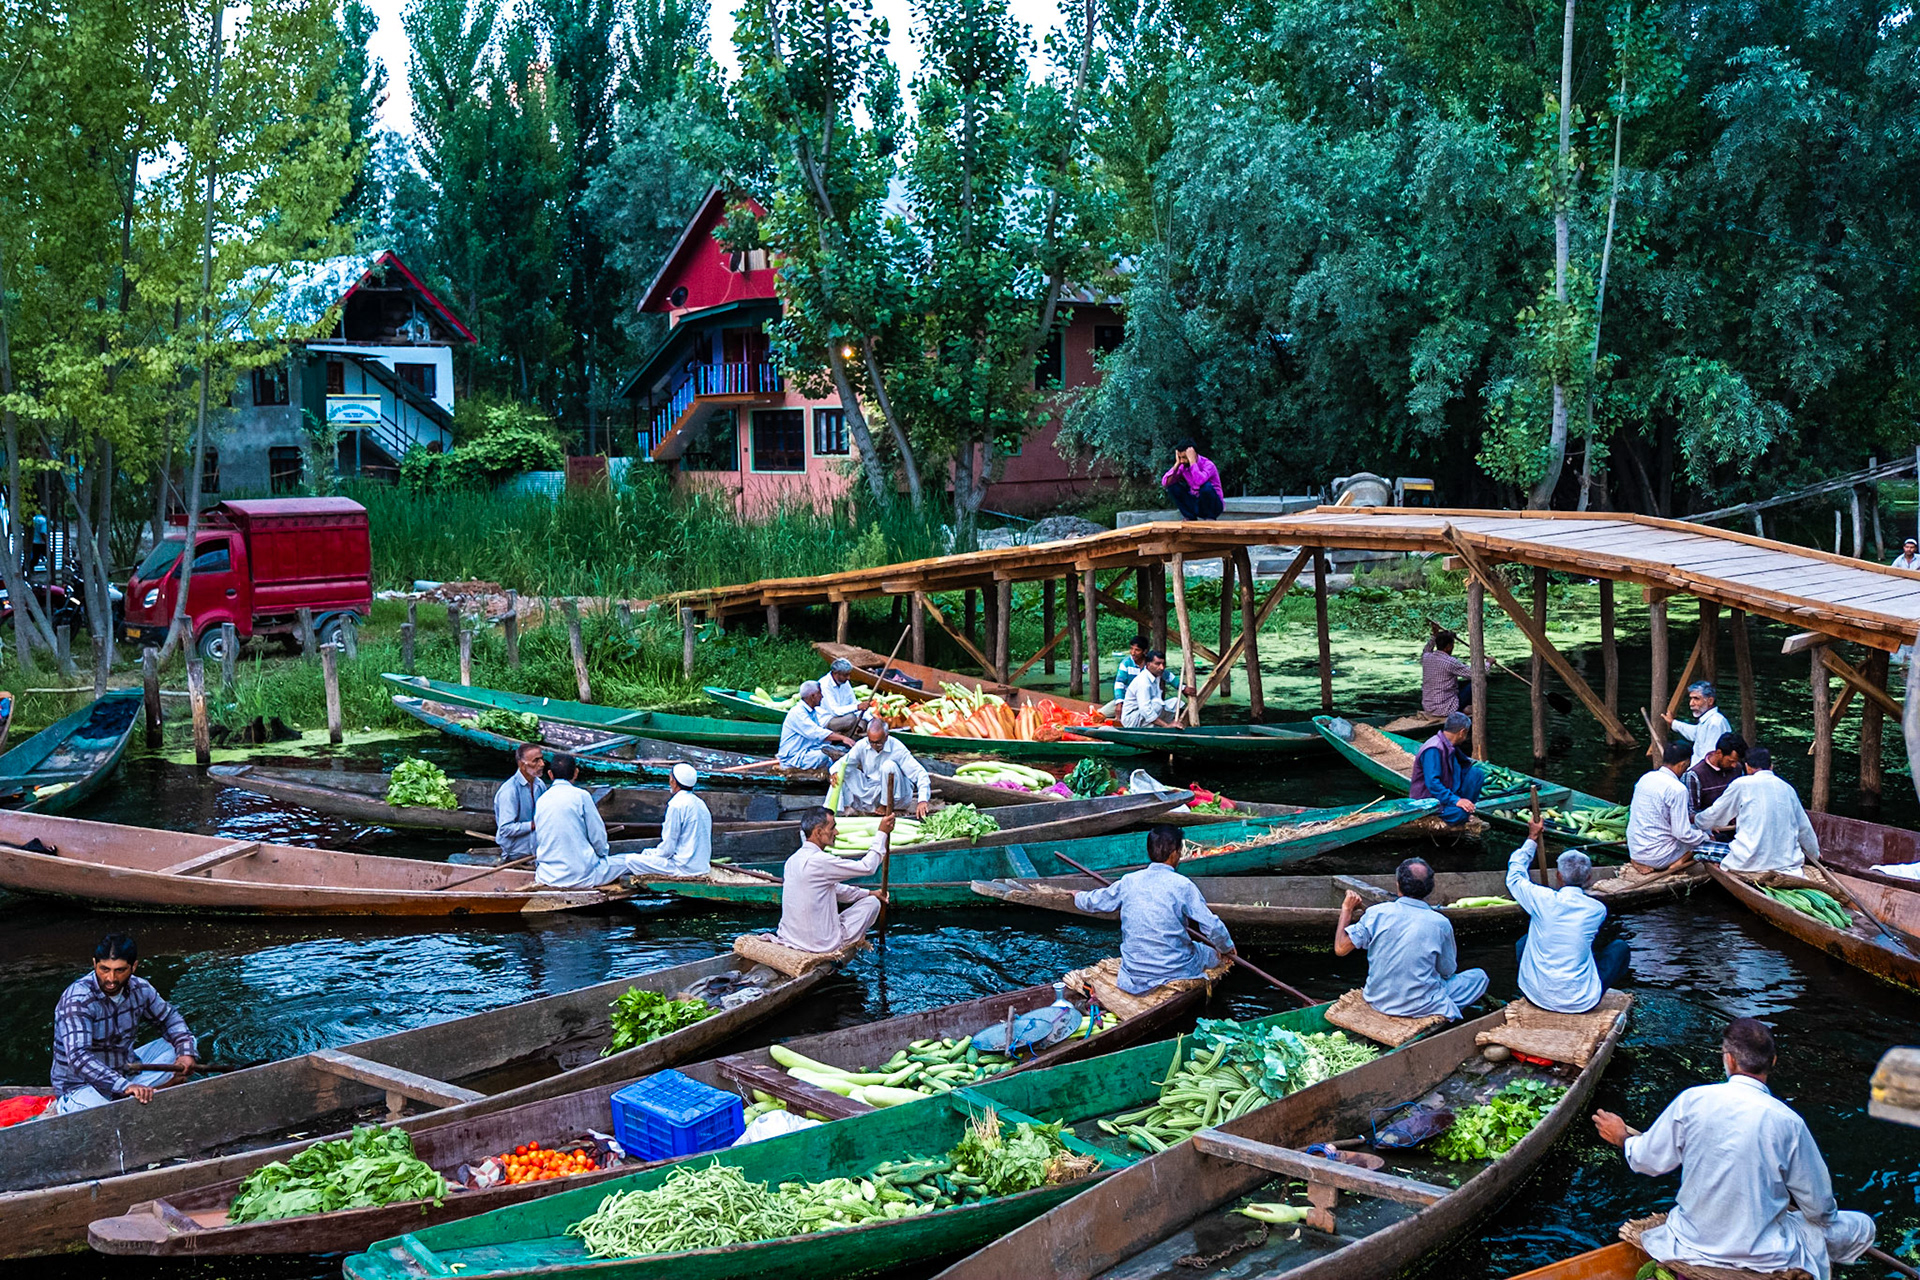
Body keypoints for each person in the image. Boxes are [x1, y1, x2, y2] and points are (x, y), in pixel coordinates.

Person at [1593, 1018, 1875, 1280]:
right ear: (1773, 1061)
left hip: (1692, 1241)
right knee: (1862, 1225)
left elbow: (1648, 1161)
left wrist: (1622, 1138)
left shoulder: (1692, 1100)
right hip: (1764, 1253)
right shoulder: (1789, 1122)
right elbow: (1821, 1210)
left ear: (1728, 1059)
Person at [1072, 825, 1236, 995]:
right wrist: (1226, 948)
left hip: (1134, 971)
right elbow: (1212, 926)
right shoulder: (1183, 885)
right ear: (1175, 852)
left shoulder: (1129, 880)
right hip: (1174, 969)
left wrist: (1077, 896)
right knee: (1209, 953)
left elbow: (1095, 901)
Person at [52, 934, 197, 1114]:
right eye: (104, 969)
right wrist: (125, 1086)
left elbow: (169, 1019)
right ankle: (153, 1091)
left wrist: (186, 1053)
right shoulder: (78, 999)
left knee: (179, 1045)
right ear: (94, 964)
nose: (111, 978)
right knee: (106, 1114)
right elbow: (78, 1057)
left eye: (120, 970)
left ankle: (138, 1094)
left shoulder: (141, 989)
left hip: (126, 1070)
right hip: (82, 1086)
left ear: (133, 967)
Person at [1333, 855, 1487, 1019]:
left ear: (1398, 885)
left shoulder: (1377, 912)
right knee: (1479, 977)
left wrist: (1346, 909)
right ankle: (1436, 1008)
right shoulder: (1440, 923)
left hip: (1377, 1000)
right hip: (1421, 1005)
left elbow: (1340, 948)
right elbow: (1448, 971)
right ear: (1430, 888)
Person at [1508, 816, 1629, 1012]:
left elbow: (1514, 876)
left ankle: (1541, 990)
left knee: (1524, 941)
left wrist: (1532, 837)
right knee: (1619, 948)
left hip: (1536, 995)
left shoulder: (1541, 898)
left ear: (1558, 876)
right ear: (1589, 878)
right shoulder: (1597, 910)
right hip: (1580, 1001)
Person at [775, 806, 894, 952]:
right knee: (873, 904)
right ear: (818, 832)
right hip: (820, 945)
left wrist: (869, 892)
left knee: (870, 898)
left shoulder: (792, 860)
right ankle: (847, 940)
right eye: (832, 828)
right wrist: (882, 833)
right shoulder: (820, 860)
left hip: (790, 937)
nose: (836, 832)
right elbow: (867, 867)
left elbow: (837, 889)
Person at [1693, 746, 1818, 873]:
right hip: (1787, 861)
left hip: (1748, 861)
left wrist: (1697, 822)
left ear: (1747, 767)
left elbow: (1715, 815)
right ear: (1771, 766)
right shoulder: (1787, 788)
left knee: (1696, 846)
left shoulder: (1741, 784)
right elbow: (1804, 828)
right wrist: (1815, 854)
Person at [532, 754, 644, 887]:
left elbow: (537, 839)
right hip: (582, 876)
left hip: (547, 876)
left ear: (550, 774)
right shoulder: (581, 796)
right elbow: (598, 837)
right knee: (629, 861)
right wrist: (602, 855)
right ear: (576, 773)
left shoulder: (542, 800)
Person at [1627, 743, 1711, 873]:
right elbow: (1682, 834)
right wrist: (1705, 836)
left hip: (1635, 850)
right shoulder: (1677, 789)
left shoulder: (1646, 778)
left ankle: (1637, 861)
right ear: (1684, 763)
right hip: (1658, 856)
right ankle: (1677, 864)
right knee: (1705, 838)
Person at [626, 763, 712, 877]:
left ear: (674, 782)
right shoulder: (700, 803)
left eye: (671, 778)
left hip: (683, 868)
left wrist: (655, 856)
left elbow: (668, 848)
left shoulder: (676, 805)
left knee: (630, 860)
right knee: (647, 852)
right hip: (701, 866)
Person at [837, 719, 931, 818]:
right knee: (842, 771)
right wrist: (835, 773)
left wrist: (923, 799)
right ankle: (837, 810)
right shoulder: (862, 744)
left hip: (896, 796)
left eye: (878, 743)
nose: (874, 746)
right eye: (871, 742)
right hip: (873, 791)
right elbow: (845, 762)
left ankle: (885, 805)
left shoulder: (897, 748)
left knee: (888, 766)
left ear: (886, 737)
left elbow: (920, 773)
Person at [1408, 711, 1484, 825]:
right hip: (1428, 800)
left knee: (1477, 774)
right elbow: (1433, 784)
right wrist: (1456, 800)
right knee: (1460, 814)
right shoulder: (1433, 749)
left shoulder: (1450, 745)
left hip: (1447, 792)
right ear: (1462, 732)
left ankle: (1465, 808)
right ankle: (1457, 811)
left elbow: (1465, 766)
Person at [778, 681, 854, 769]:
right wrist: (842, 738)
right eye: (820, 693)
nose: (822, 696)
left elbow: (819, 733)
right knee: (823, 756)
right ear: (813, 696)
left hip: (810, 749)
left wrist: (838, 736)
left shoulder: (812, 711)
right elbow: (816, 733)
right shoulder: (797, 712)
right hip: (794, 757)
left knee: (840, 750)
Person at [492, 742, 547, 860]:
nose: (542, 764)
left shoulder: (539, 784)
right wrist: (532, 825)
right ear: (522, 765)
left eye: (542, 759)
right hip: (516, 851)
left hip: (537, 847)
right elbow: (505, 829)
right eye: (536, 761)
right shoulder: (509, 791)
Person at [1664, 681, 1732, 769]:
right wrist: (1673, 723)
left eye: (1696, 699)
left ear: (1710, 701)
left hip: (1705, 776)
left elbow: (1710, 757)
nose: (1691, 703)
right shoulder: (1708, 721)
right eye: (1691, 699)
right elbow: (1695, 733)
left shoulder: (1715, 723)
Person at [1103, 634, 1171, 718]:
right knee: (1101, 714)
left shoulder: (1150, 664)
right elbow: (1119, 684)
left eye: (1137, 650)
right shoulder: (1126, 663)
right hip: (1128, 701)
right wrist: (1119, 703)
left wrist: (1183, 688)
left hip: (1147, 701)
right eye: (1131, 649)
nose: (1133, 653)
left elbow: (1169, 676)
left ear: (1145, 651)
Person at [1122, 650, 1191, 729]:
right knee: (1157, 704)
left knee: (1174, 702)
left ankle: (1164, 727)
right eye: (1157, 664)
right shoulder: (1143, 682)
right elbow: (1145, 709)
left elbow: (1169, 676)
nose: (1162, 667)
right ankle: (1162, 727)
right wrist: (1166, 725)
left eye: (1163, 664)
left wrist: (1183, 688)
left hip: (1142, 714)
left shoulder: (1156, 675)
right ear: (1148, 665)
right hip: (1131, 720)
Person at [1161, 438, 1224, 521]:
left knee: (1206, 487)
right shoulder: (1182, 465)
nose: (1182, 461)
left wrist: (1192, 462)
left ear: (1193, 455)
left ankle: (1210, 518)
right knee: (1172, 487)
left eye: (1184, 457)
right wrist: (1177, 464)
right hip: (1196, 503)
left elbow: (1199, 482)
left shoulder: (1208, 465)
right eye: (1180, 458)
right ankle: (1190, 517)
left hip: (1213, 506)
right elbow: (1165, 483)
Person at [1685, 732, 1747, 815]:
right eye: (1731, 761)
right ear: (1719, 753)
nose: (1734, 765)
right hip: (1707, 826)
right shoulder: (1695, 775)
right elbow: (1691, 812)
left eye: (1736, 761)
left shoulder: (1738, 769)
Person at [1420, 624, 1471, 717]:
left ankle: (1465, 709)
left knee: (1460, 683)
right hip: (1445, 709)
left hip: (1428, 707)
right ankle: (1464, 710)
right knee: (1476, 683)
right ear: (1448, 646)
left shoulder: (1426, 657)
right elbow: (1475, 674)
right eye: (1452, 645)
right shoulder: (1450, 662)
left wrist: (1434, 636)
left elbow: (1427, 649)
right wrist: (1489, 663)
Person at [818, 658, 869, 734]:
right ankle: (846, 734)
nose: (848, 678)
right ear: (836, 673)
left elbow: (853, 702)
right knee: (851, 719)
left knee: (864, 718)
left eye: (848, 674)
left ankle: (852, 733)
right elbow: (835, 711)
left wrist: (871, 718)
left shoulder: (845, 683)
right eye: (845, 675)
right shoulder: (824, 685)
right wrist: (857, 707)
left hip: (845, 715)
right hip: (830, 719)